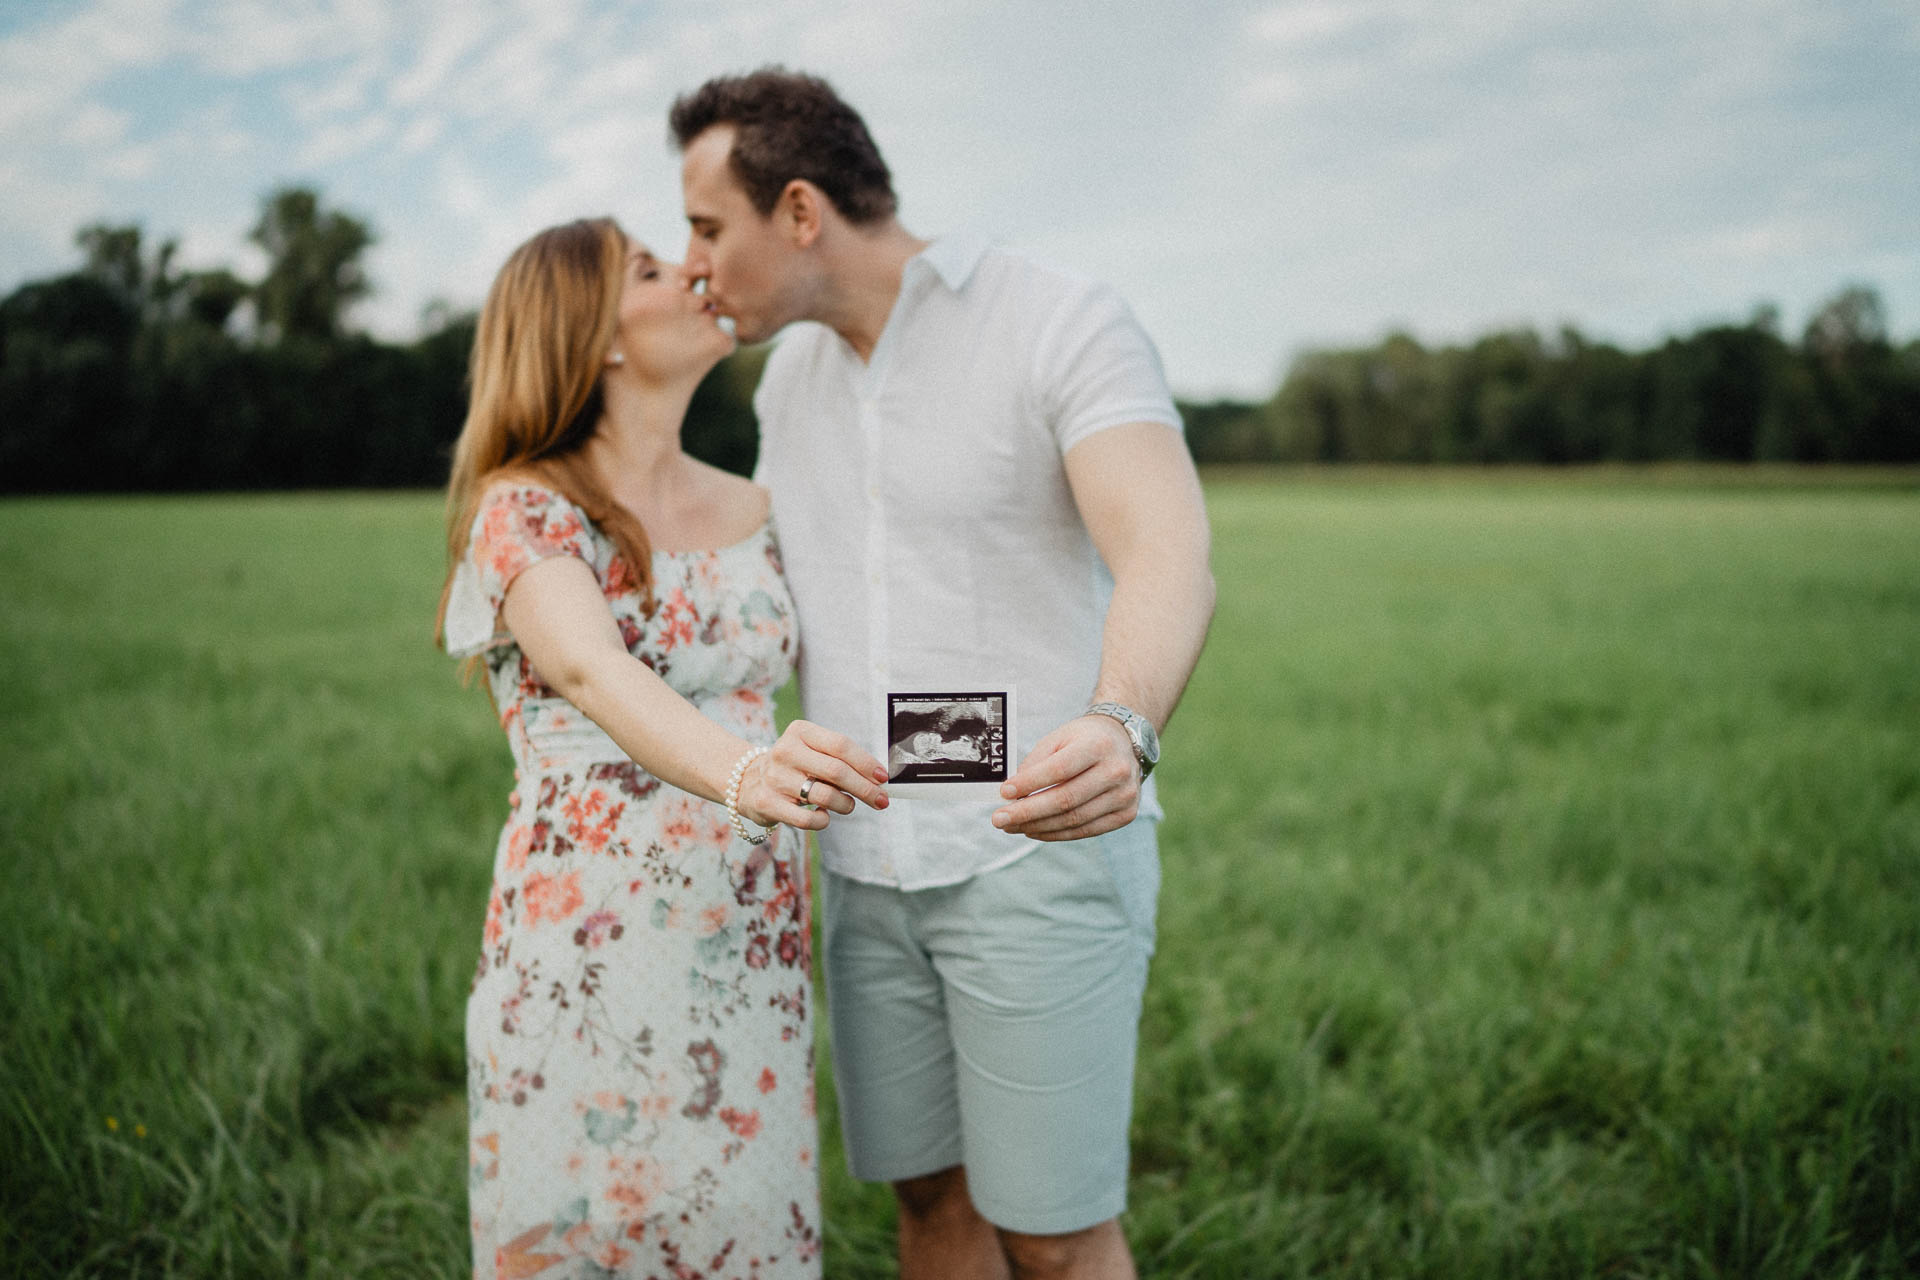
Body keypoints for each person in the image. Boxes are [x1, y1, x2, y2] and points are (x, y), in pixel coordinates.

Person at [670, 70, 1216, 1279]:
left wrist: (1123, 722)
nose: (693, 260)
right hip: (865, 865)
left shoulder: (1059, 318)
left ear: (800, 212)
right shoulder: (794, 381)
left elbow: (1168, 548)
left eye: (709, 228)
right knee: (930, 1201)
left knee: (1058, 1238)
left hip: (1031, 850)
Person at [434, 216, 890, 1278]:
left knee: (739, 1237)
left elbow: (871, 650)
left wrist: (1007, 733)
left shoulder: (758, 508)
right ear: (590, 335)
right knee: (586, 1238)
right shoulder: (524, 507)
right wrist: (745, 767)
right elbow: (592, 666)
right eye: (649, 266)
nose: (692, 268)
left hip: (745, 950)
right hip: (587, 952)